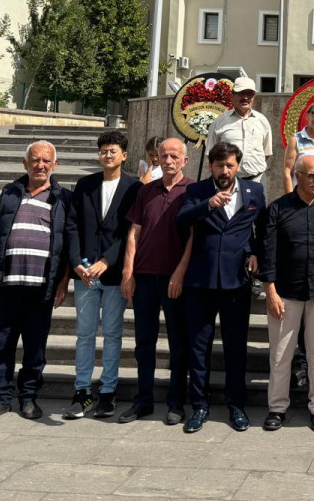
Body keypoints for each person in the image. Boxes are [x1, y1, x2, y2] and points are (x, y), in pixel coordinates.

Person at [0, 141, 72, 422]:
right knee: (0, 343)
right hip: (5, 283)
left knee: (35, 345)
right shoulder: (8, 193)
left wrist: (63, 282)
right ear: (25, 163)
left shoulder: (64, 198)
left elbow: (67, 245)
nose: (40, 165)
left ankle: (28, 398)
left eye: (46, 160)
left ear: (55, 165)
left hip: (41, 286)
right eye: (35, 160)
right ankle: (1, 399)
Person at [178, 142, 264, 433]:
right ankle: (200, 405)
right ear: (211, 166)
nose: (224, 171)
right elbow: (181, 219)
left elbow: (262, 230)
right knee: (198, 348)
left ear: (238, 165)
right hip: (200, 282)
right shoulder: (197, 191)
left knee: (235, 348)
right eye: (219, 165)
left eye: (229, 165)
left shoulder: (254, 192)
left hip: (236, 283)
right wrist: (208, 204)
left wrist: (254, 252)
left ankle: (236, 405)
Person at [260, 155, 314, 432]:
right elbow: (267, 253)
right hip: (285, 295)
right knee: (281, 355)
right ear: (297, 176)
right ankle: (277, 408)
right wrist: (270, 291)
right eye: (312, 175)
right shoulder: (277, 209)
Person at [63, 129, 139, 420]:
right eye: (104, 150)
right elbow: (72, 227)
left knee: (112, 334)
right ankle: (81, 393)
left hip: (114, 273)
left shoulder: (134, 188)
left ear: (124, 156)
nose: (108, 155)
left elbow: (131, 231)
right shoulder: (84, 185)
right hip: (84, 274)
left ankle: (107, 392)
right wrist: (77, 263)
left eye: (113, 151)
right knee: (84, 334)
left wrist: (108, 260)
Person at [118, 138, 193, 425]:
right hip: (145, 277)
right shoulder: (145, 191)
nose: (169, 160)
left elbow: (194, 238)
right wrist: (128, 271)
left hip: (176, 280)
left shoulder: (193, 190)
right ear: (156, 159)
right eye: (164, 155)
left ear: (185, 161)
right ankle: (143, 400)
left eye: (174, 156)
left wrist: (180, 272)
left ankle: (175, 402)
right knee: (143, 342)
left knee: (178, 342)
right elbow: (133, 233)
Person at [204, 76, 273, 182]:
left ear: (253, 97)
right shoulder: (219, 122)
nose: (245, 97)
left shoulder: (262, 121)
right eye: (241, 93)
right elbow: (211, 154)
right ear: (232, 96)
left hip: (257, 180)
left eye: (249, 94)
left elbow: (266, 153)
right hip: (228, 181)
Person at [283, 100, 314, 192]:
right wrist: (289, 199)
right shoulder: (296, 139)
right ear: (307, 115)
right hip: (301, 195)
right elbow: (288, 171)